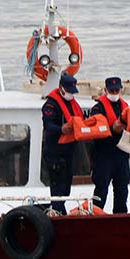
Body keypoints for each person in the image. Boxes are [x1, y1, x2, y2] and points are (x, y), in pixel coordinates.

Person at [89, 76, 130, 213]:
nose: (115, 93)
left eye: (117, 90)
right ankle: (95, 215)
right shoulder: (97, 109)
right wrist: (112, 128)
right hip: (104, 155)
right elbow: (96, 129)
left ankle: (120, 216)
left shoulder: (125, 107)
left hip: (122, 155)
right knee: (101, 189)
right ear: (105, 90)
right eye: (112, 90)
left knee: (122, 189)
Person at [41, 73, 84, 215]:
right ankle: (57, 212)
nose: (71, 94)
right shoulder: (51, 105)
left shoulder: (73, 105)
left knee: (66, 188)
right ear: (61, 88)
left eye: (73, 91)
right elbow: (48, 126)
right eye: (69, 91)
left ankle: (60, 210)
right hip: (55, 152)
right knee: (57, 187)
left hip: (69, 152)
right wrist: (61, 129)